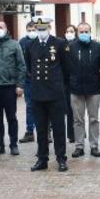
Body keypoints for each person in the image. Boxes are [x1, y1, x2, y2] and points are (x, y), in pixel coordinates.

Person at [24, 17, 70, 172]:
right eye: (38, 29)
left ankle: (61, 159)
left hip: (55, 92)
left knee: (58, 128)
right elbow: (29, 67)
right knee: (41, 129)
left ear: (49, 28)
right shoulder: (31, 45)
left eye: (43, 29)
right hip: (38, 93)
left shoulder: (59, 43)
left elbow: (66, 67)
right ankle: (42, 158)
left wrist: (61, 86)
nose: (41, 32)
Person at [66, 22, 100, 159]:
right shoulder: (70, 47)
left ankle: (94, 146)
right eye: (81, 31)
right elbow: (67, 67)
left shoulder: (98, 48)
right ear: (77, 33)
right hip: (76, 89)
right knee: (78, 119)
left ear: (90, 32)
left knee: (94, 118)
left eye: (86, 31)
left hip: (94, 88)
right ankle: (79, 146)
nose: (84, 33)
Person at [0, 20, 26, 156]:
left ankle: (13, 144)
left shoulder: (14, 45)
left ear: (6, 29)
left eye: (0, 27)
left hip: (9, 86)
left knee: (11, 117)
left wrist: (20, 85)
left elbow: (21, 66)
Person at [19, 25, 37, 144]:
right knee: (30, 105)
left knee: (46, 105)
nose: (31, 32)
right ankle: (30, 131)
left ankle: (47, 131)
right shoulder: (22, 42)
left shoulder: (43, 40)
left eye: (33, 30)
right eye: (29, 30)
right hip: (28, 79)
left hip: (42, 78)